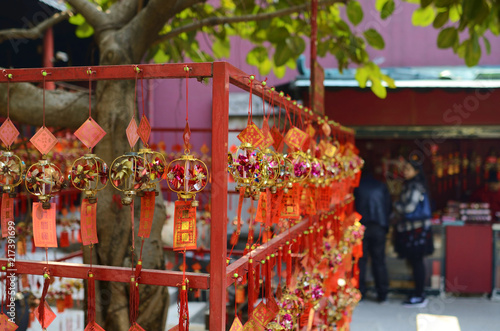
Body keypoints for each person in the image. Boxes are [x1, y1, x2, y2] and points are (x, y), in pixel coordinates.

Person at [393, 157, 434, 308]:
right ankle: (418, 293)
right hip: (416, 229)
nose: (405, 172)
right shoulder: (414, 184)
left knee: (417, 262)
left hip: (416, 230)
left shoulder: (414, 186)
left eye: (408, 169)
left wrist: (396, 205)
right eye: (404, 169)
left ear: (416, 171)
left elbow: (409, 208)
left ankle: (420, 295)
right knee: (416, 261)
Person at [354, 161, 391, 303]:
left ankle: (360, 291)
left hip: (361, 227)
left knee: (361, 261)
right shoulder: (381, 186)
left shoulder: (357, 186)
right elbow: (388, 207)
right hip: (378, 226)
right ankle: (382, 292)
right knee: (379, 260)